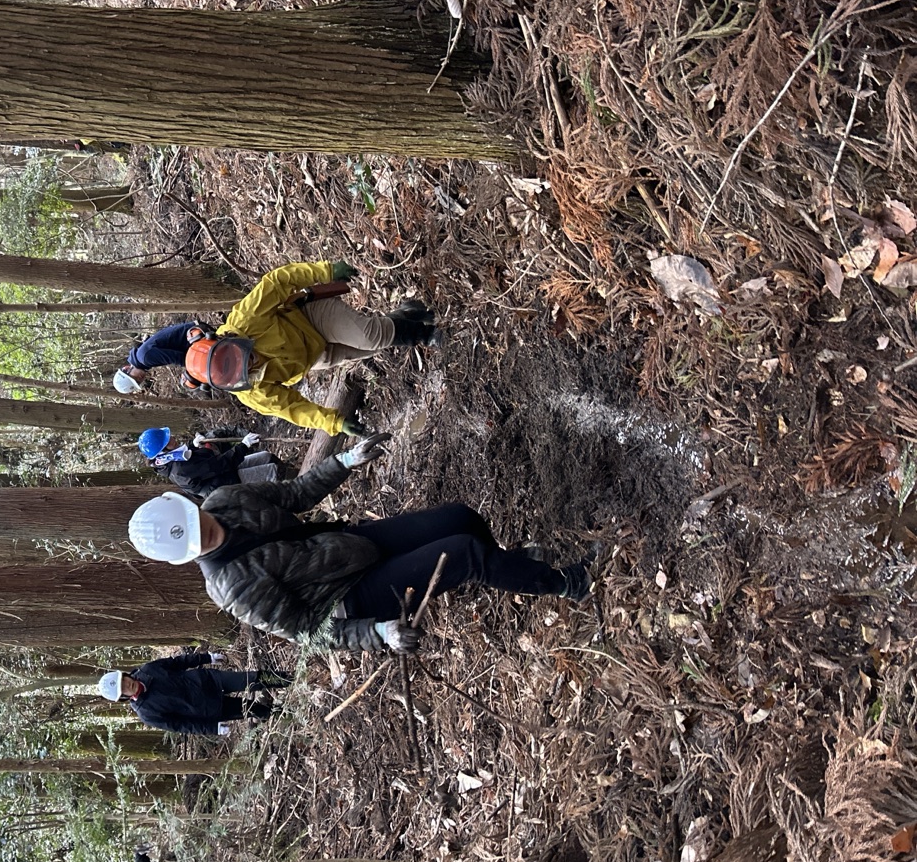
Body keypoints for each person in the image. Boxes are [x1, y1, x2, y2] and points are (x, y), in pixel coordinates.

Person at [125, 436, 594, 653]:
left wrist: (345, 461)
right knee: (464, 553)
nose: (205, 529)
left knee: (461, 518)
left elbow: (294, 495)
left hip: (345, 541)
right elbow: (307, 631)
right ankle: (565, 584)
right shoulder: (231, 586)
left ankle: (509, 565)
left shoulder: (226, 498)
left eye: (196, 519)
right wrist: (378, 633)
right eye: (195, 538)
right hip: (350, 595)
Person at [175, 261, 440, 435]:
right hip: (313, 356)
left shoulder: (245, 320)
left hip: (311, 318)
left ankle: (426, 335)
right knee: (371, 347)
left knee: (371, 337)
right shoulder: (251, 393)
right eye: (243, 369)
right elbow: (293, 408)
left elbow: (277, 282)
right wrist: (332, 422)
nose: (251, 361)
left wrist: (325, 272)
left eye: (241, 355)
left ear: (227, 342)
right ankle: (407, 315)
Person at [98, 652, 293, 736]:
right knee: (253, 709)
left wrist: (206, 657)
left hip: (208, 680)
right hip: (209, 709)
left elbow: (177, 662)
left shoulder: (148, 670)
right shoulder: (147, 713)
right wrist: (212, 729)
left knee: (250, 679)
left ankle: (289, 679)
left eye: (124, 680)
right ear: (122, 697)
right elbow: (182, 725)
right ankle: (287, 713)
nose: (127, 685)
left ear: (124, 675)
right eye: (122, 688)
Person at [137, 426, 280, 497]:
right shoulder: (180, 469)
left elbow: (196, 459)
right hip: (226, 483)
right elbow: (219, 464)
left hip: (224, 472)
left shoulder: (173, 458)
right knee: (272, 471)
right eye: (168, 440)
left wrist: (194, 445)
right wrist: (244, 445)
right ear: (163, 450)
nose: (173, 438)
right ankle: (296, 483)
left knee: (266, 457)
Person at [113, 321, 203, 394]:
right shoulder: (140, 356)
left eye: (134, 378)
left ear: (127, 368)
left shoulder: (145, 358)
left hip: (195, 336)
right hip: (192, 334)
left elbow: (180, 358)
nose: (140, 378)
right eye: (138, 382)